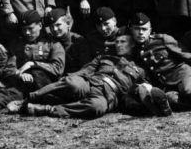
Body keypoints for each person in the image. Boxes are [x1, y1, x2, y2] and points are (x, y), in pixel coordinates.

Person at [23, 33, 171, 119]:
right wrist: (71, 77)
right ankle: (30, 98)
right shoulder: (104, 57)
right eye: (117, 42)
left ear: (132, 44)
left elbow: (144, 86)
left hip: (108, 94)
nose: (118, 45)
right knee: (72, 83)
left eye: (123, 42)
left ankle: (47, 109)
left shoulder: (140, 69)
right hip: (90, 83)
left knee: (96, 107)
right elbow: (86, 70)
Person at [48, 7, 92, 73]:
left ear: (68, 24)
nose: (54, 29)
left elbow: (85, 68)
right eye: (51, 26)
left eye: (58, 25)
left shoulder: (79, 41)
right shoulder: (49, 42)